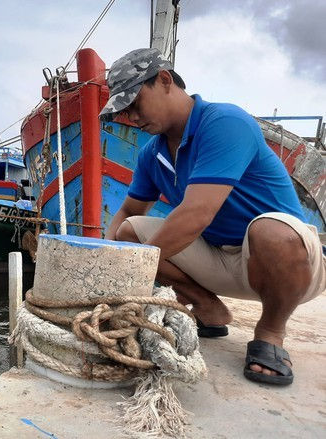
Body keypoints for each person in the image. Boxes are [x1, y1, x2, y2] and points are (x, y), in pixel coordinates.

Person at [99, 48, 325, 386]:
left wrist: (131, 268)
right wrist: (106, 251)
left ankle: (271, 333)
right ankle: (208, 308)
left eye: (135, 103)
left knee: (270, 231)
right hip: (219, 256)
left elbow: (196, 214)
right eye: (124, 111)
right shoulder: (152, 153)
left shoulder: (224, 122)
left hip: (287, 265)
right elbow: (129, 211)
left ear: (164, 81)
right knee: (129, 232)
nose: (132, 118)